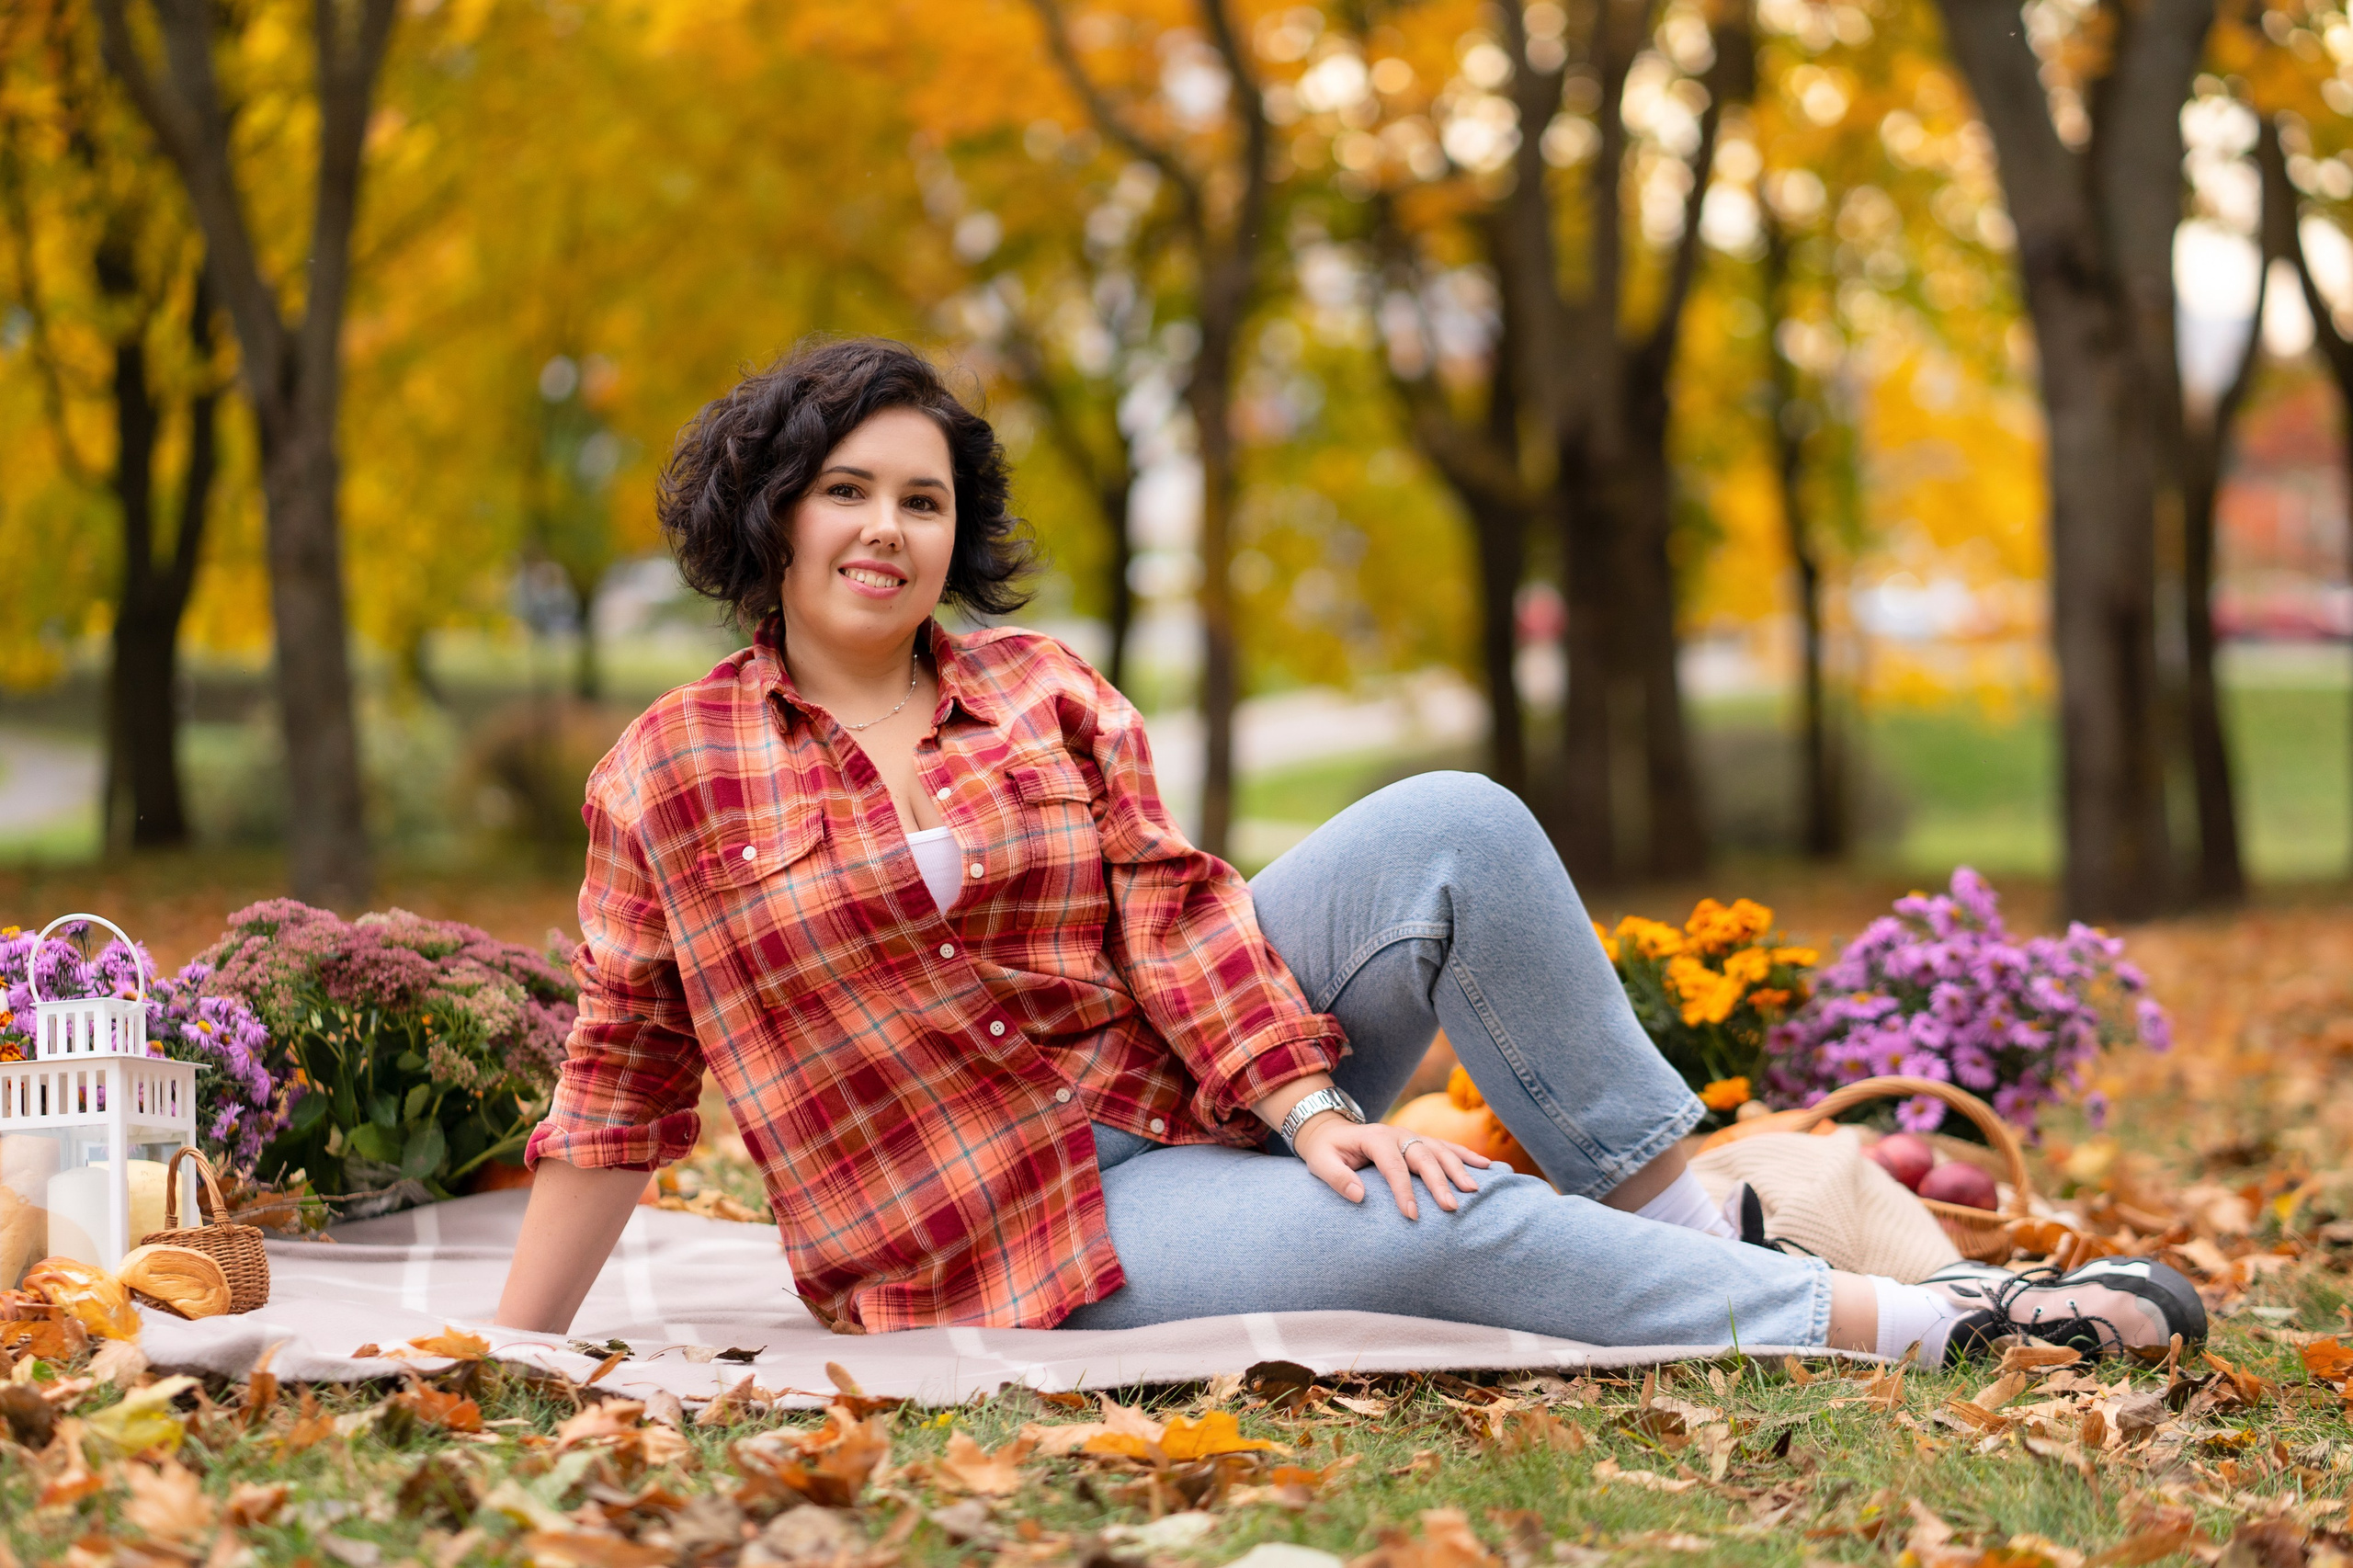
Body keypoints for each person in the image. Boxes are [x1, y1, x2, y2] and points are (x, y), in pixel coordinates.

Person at [494, 337, 2202, 1365]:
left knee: (1455, 819)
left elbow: (1172, 912)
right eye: (847, 490)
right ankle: (1935, 1329)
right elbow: (622, 1077)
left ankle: (1688, 1225)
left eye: (923, 500)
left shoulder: (1039, 691)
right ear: (772, 509)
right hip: (1004, 1234)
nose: (886, 530)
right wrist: (514, 1345)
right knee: (1434, 1220)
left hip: (1177, 1078)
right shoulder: (668, 774)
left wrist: (1308, 1108)